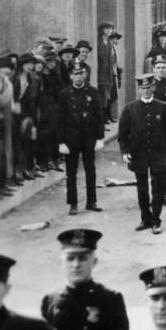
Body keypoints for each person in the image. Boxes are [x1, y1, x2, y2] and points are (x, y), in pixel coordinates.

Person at [118, 74, 166, 233]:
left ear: (153, 88)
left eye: (148, 87)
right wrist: (125, 152)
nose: (145, 91)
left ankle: (156, 220)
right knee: (142, 189)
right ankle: (145, 219)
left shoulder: (163, 107)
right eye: (142, 88)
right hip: (139, 156)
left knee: (157, 189)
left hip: (159, 156)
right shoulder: (130, 109)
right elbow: (122, 136)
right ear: (138, 89)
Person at [56, 61, 105, 215]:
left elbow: (98, 116)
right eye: (75, 74)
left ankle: (92, 201)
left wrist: (100, 138)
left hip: (88, 137)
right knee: (71, 172)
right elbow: (60, 119)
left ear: (85, 74)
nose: (78, 77)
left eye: (81, 73)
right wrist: (61, 142)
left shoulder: (92, 92)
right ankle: (73, 204)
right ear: (70, 76)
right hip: (71, 139)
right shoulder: (64, 94)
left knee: (91, 170)